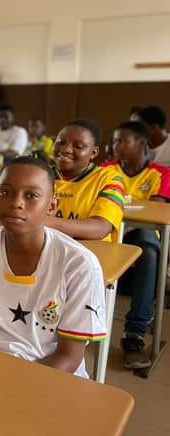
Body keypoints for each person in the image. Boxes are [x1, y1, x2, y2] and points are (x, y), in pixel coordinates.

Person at [0, 156, 106, 378]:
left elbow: (69, 357)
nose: (16, 202)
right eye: (5, 192)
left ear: (52, 205)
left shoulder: (80, 265)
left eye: (31, 195)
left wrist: (15, 384)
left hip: (52, 377)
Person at [101, 121, 170, 369]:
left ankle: (134, 335)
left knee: (147, 248)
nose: (114, 145)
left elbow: (153, 213)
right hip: (110, 232)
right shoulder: (106, 169)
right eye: (114, 140)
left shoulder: (160, 174)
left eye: (121, 141)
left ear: (142, 144)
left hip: (141, 235)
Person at [44, 120, 124, 241]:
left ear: (94, 152)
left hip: (92, 253)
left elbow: (101, 227)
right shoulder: (40, 175)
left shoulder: (108, 179)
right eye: (60, 142)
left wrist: (43, 222)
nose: (66, 149)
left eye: (78, 146)